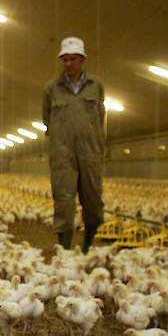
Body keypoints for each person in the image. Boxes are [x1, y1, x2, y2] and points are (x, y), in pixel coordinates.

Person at [42, 36, 106, 252]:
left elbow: (100, 117)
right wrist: (60, 140)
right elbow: (46, 120)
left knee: (92, 198)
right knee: (63, 198)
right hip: (62, 152)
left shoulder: (96, 86)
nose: (68, 64)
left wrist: (93, 141)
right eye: (65, 60)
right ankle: (64, 248)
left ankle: (88, 243)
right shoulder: (51, 88)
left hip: (90, 151)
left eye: (73, 59)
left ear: (82, 60)